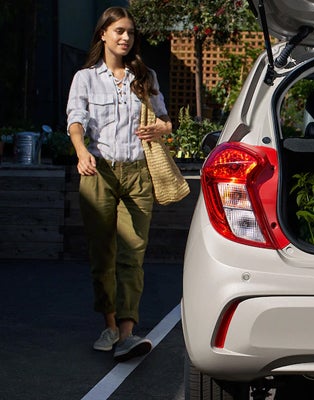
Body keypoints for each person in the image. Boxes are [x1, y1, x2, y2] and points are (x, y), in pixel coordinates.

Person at [66, 6, 172, 362]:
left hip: (139, 172)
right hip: (99, 173)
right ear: (103, 35)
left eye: (130, 32)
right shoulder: (85, 78)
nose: (126, 37)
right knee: (103, 254)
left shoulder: (145, 75)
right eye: (119, 31)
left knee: (133, 254)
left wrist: (160, 128)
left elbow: (166, 122)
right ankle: (109, 325)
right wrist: (81, 151)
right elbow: (75, 120)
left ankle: (127, 333)